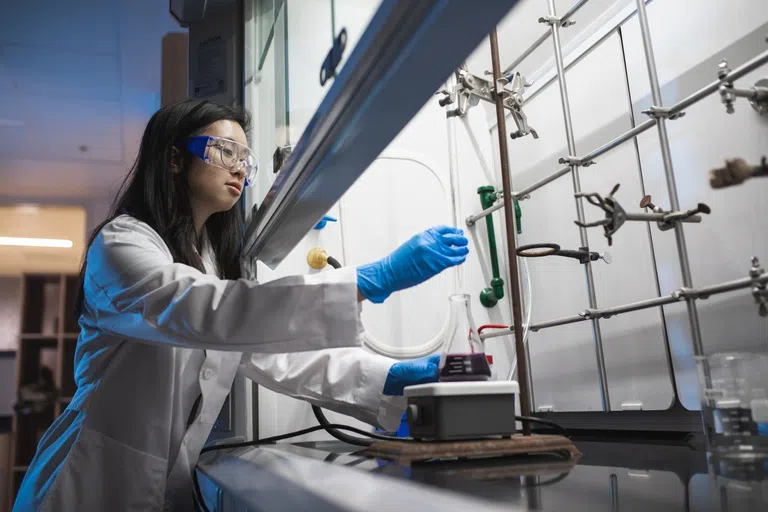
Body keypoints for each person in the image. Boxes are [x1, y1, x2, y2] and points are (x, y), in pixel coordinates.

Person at [13, 99, 468, 511]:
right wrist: (368, 281)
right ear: (174, 159)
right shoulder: (121, 244)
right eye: (224, 151)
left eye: (244, 159)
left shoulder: (210, 261)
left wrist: (386, 377)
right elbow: (200, 308)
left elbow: (270, 356)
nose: (239, 168)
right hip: (84, 487)